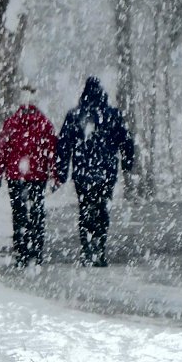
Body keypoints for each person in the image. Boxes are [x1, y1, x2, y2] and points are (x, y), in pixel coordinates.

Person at [56, 76, 134, 267]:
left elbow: (64, 145)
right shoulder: (112, 115)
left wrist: (62, 170)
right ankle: (99, 248)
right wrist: (127, 163)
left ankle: (87, 248)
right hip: (106, 173)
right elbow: (126, 142)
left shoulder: (75, 116)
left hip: (83, 173)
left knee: (85, 210)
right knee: (102, 210)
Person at [0, 92, 60, 267]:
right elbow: (52, 152)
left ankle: (21, 252)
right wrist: (55, 176)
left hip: (16, 177)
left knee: (19, 214)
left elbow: (2, 150)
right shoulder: (44, 124)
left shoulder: (12, 124)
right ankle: (36, 251)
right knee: (36, 212)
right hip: (37, 176)